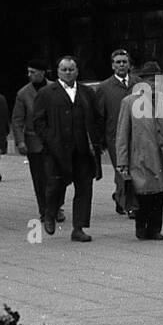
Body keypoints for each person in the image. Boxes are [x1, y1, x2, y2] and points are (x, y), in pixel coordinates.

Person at [33, 55, 104, 242]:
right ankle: (50, 214)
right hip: (57, 150)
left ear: (77, 71)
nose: (67, 73)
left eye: (71, 69)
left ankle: (78, 228)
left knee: (84, 189)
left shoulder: (87, 93)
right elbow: (38, 121)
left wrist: (97, 139)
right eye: (64, 69)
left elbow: (97, 118)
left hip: (82, 150)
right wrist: (49, 139)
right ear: (57, 71)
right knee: (55, 185)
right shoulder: (47, 93)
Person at [116, 61, 163, 241]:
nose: (153, 83)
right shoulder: (129, 102)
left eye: (156, 79)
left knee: (160, 194)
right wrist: (122, 161)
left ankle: (155, 228)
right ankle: (141, 227)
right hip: (141, 157)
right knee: (143, 194)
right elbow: (122, 133)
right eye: (149, 80)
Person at [12, 59, 65, 224]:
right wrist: (20, 141)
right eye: (28, 72)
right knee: (40, 178)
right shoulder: (23, 94)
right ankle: (45, 210)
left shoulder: (55, 88)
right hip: (34, 142)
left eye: (33, 72)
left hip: (55, 140)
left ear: (43, 72)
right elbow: (17, 119)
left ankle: (57, 207)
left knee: (58, 176)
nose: (30, 75)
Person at [95, 49, 138, 217]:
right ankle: (130, 206)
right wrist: (99, 141)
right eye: (118, 62)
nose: (121, 65)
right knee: (122, 169)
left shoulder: (138, 83)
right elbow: (100, 116)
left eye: (124, 62)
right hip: (115, 136)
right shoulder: (104, 88)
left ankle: (120, 197)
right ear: (112, 66)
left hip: (136, 135)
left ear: (129, 64)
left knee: (135, 170)